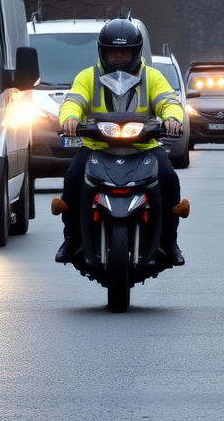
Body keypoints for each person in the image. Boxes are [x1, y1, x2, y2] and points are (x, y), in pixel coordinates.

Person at [55, 19, 186, 266]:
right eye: (112, 52)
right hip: (97, 148)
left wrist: (172, 119)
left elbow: (169, 101)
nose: (118, 57)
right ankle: (71, 237)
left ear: (136, 52)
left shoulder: (153, 76)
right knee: (73, 177)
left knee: (169, 178)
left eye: (124, 52)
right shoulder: (87, 76)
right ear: (102, 52)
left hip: (144, 148)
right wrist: (70, 118)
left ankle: (169, 240)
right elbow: (73, 101)